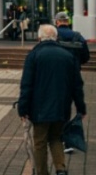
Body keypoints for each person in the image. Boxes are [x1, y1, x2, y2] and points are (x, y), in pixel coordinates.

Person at [18, 24, 87, 175]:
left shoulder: (34, 56)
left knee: (40, 142)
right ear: (56, 37)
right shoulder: (68, 56)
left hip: (39, 109)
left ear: (39, 38)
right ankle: (61, 169)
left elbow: (26, 85)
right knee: (56, 138)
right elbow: (77, 85)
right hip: (62, 107)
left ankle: (43, 172)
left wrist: (22, 109)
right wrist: (81, 108)